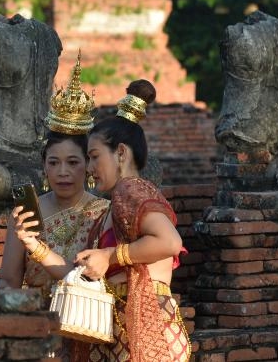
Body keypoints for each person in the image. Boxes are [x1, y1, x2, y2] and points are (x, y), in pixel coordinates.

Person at [0, 55, 108, 358]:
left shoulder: (104, 213)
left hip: (84, 328)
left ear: (88, 166)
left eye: (73, 163)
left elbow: (87, 278)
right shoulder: (24, 214)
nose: (63, 172)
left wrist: (37, 247)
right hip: (37, 333)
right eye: (54, 162)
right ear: (44, 167)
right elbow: (8, 278)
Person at [72, 79, 190, 362]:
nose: (89, 169)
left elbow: (170, 242)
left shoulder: (130, 189)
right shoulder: (122, 198)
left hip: (145, 333)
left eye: (94, 157)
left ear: (121, 153)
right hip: (142, 330)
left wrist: (110, 255)